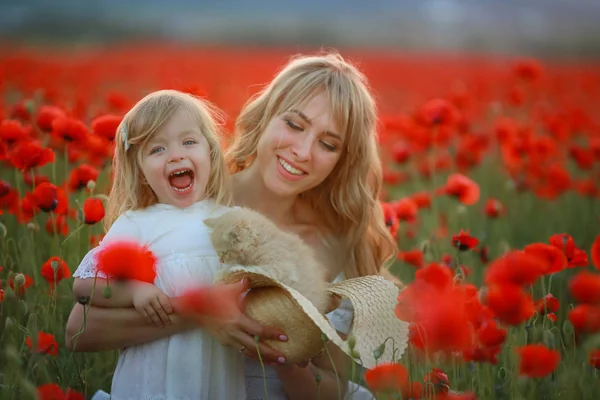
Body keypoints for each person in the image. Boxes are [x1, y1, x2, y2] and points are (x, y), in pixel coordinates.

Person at [66, 52, 399, 400]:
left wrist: (286, 355)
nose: (302, 150)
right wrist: (201, 314)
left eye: (328, 144)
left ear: (343, 160)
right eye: (295, 125)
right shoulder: (191, 198)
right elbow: (79, 330)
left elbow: (334, 389)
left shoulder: (334, 247)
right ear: (266, 115)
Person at [70, 89, 287, 400]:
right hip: (148, 385)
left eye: (189, 142)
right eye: (157, 149)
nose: (176, 155)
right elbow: (83, 286)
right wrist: (134, 291)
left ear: (210, 152)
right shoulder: (136, 224)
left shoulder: (234, 221)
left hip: (215, 381)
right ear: (140, 169)